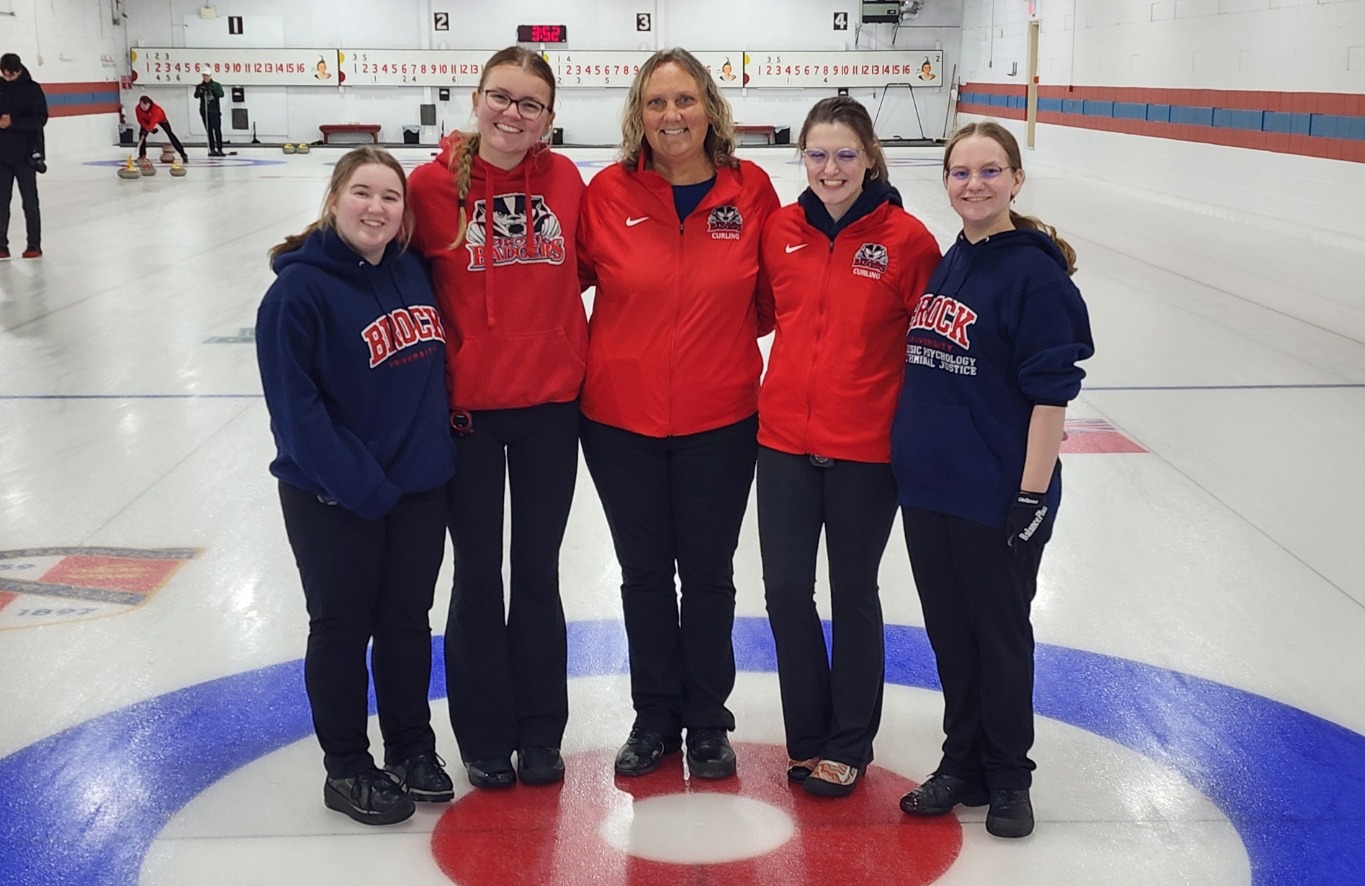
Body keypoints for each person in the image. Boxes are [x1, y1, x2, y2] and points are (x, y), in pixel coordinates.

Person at [577, 47, 779, 780]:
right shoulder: (604, 194)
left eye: (685, 101)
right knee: (641, 575)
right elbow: (556, 284)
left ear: (710, 109)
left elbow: (769, 298)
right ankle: (653, 715)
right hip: (617, 419)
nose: (671, 116)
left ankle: (706, 720)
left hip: (720, 418)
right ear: (638, 114)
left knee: (708, 573)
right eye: (657, 103)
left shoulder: (750, 190)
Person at [892, 121, 1093, 838]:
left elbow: (1049, 395)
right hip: (930, 488)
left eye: (988, 171)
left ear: (1014, 178)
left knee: (999, 637)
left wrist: (1031, 495)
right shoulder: (955, 259)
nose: (972, 184)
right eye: (959, 172)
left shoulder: (1032, 273)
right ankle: (963, 765)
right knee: (952, 636)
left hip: (996, 494)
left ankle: (1009, 777)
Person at [255, 146, 457, 826]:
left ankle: (410, 747)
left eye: (391, 197)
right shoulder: (296, 293)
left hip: (417, 492)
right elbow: (296, 412)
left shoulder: (412, 273)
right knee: (341, 629)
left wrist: (425, 470)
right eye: (362, 193)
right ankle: (345, 767)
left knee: (406, 625)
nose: (376, 208)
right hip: (331, 497)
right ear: (334, 199)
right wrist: (363, 487)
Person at [407, 46, 586, 791]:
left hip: (550, 407)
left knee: (537, 574)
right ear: (476, 98)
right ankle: (482, 736)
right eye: (501, 98)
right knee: (478, 577)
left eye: (530, 105)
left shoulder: (567, 179)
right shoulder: (426, 185)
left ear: (548, 119)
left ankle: (541, 732)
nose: (513, 114)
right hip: (469, 414)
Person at [756, 96, 940, 797]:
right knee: (782, 593)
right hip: (780, 444)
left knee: (851, 592)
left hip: (866, 449)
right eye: (817, 154)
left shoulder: (908, 241)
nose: (829, 169)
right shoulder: (780, 231)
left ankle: (847, 744)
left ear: (869, 158)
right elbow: (767, 313)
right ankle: (807, 736)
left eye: (844, 155)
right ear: (801, 157)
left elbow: (931, 346)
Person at [0, 52, 46, 260]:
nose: (8, 78)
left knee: (29, 202)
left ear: (19, 70)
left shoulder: (32, 90)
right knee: (1, 202)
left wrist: (13, 123)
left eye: (11, 75)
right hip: (2, 156)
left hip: (26, 156)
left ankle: (33, 245)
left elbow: (39, 119)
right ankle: (1, 245)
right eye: (4, 75)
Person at [134, 95, 188, 164]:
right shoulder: (137, 109)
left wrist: (150, 129)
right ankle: (142, 156)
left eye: (145, 104)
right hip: (146, 120)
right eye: (141, 104)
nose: (143, 106)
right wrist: (147, 129)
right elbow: (140, 120)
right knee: (142, 136)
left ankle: (183, 154)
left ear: (149, 104)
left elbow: (153, 121)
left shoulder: (156, 110)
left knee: (170, 134)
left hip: (161, 119)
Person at [194, 67, 225, 157]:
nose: (205, 77)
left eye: (207, 76)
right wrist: (200, 91)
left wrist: (212, 90)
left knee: (217, 130)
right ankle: (212, 149)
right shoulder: (199, 86)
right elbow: (196, 96)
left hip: (214, 111)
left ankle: (219, 148)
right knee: (209, 131)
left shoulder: (216, 85)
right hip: (205, 111)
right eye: (204, 76)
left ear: (210, 76)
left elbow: (221, 94)